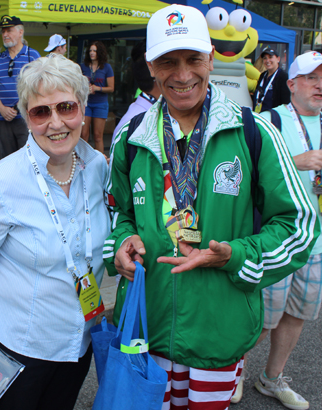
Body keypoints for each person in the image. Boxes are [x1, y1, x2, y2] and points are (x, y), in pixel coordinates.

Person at [104, 5, 319, 409]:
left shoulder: (256, 132)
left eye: (193, 59)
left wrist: (235, 256)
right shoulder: (130, 138)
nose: (182, 75)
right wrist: (123, 240)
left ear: (212, 58)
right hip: (144, 333)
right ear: (151, 66)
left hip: (218, 335)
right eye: (168, 61)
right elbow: (116, 213)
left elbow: (300, 225)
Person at [0, 55, 110, 410]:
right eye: (41, 112)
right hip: (17, 351)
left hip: (78, 343)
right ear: (26, 116)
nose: (56, 123)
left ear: (83, 108)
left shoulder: (97, 167)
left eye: (66, 107)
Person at [248, 51, 322, 410]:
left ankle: (272, 378)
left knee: (297, 314)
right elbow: (246, 175)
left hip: (317, 241)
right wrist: (296, 163)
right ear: (291, 84)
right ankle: (231, 373)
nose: (319, 85)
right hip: (277, 238)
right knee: (262, 316)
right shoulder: (268, 121)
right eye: (311, 78)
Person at [0, 15, 40, 162]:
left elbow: (38, 86)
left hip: (26, 119)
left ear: (20, 32)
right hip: (2, 119)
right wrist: (2, 108)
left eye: (9, 30)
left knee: (29, 159)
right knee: (3, 161)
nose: (5, 35)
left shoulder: (32, 56)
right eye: (3, 31)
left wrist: (21, 107)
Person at [112, 39, 160, 142]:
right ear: (152, 70)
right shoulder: (133, 126)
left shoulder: (152, 113)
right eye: (169, 63)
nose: (183, 76)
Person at [80, 41, 115, 152]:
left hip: (100, 103)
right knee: (83, 134)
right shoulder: (83, 66)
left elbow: (111, 88)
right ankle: (82, 161)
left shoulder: (107, 67)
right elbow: (77, 83)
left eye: (94, 50)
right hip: (86, 103)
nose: (92, 53)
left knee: (98, 136)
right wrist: (85, 88)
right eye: (90, 50)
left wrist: (97, 88)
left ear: (99, 52)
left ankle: (101, 162)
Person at [252, 47, 290, 113]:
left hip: (273, 118)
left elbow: (285, 103)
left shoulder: (283, 77)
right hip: (259, 115)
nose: (267, 60)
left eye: (270, 57)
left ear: (278, 59)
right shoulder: (262, 75)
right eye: (265, 58)